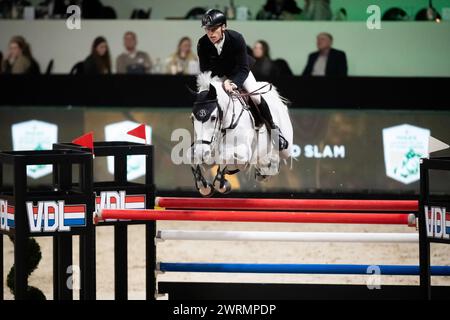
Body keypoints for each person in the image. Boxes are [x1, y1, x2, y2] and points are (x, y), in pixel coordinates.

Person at [197, 9, 288, 150]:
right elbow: (205, 70)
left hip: (239, 72)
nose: (210, 33)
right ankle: (204, 138)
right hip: (218, 76)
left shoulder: (236, 38)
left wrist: (232, 82)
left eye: (214, 29)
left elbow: (244, 68)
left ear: (223, 27)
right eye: (207, 29)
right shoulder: (202, 43)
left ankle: (275, 130)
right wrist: (209, 87)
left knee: (255, 95)